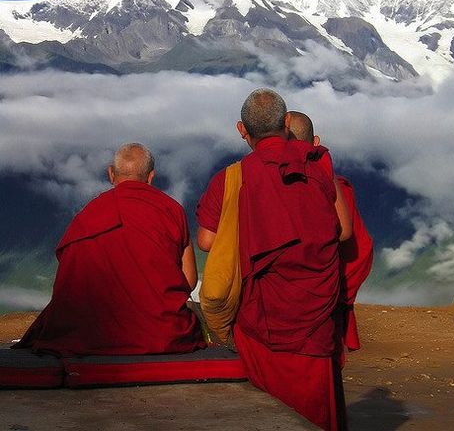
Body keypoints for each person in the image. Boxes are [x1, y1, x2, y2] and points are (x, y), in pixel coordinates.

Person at [197, 89, 347, 431]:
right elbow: (343, 230)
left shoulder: (233, 178)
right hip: (315, 321)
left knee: (267, 415)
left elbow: (205, 240)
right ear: (287, 122)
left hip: (262, 321)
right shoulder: (317, 166)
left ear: (241, 130)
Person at [16, 143, 204, 356]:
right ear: (151, 177)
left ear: (111, 174)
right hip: (162, 334)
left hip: (88, 335)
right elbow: (188, 280)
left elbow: (69, 283)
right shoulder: (172, 210)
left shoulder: (88, 216)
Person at [288, 111, 374, 363]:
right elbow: (360, 249)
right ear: (315, 142)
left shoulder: (260, 181)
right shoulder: (336, 187)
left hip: (283, 301)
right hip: (326, 297)